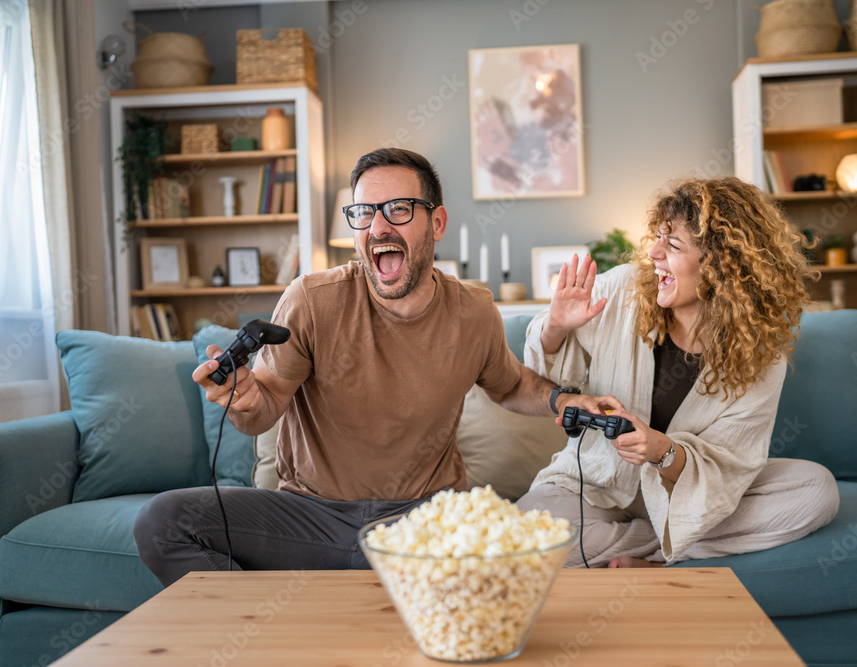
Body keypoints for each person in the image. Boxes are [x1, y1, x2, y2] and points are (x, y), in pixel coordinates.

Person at [133, 147, 616, 585]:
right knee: (163, 522)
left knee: (514, 564)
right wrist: (242, 398)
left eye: (398, 210)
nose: (379, 227)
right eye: (364, 213)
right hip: (309, 519)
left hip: (421, 523)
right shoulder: (311, 299)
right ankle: (263, 635)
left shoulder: (473, 311)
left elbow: (510, 386)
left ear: (437, 223)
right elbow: (264, 405)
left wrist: (565, 398)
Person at [516, 176, 840, 568]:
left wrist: (662, 451)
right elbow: (537, 375)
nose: (652, 253)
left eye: (672, 245)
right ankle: (667, 545)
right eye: (657, 238)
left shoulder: (760, 356)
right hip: (599, 489)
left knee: (816, 491)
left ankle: (655, 546)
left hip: (687, 493)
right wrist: (556, 324)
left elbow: (731, 461)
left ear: (722, 266)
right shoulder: (621, 291)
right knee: (522, 534)